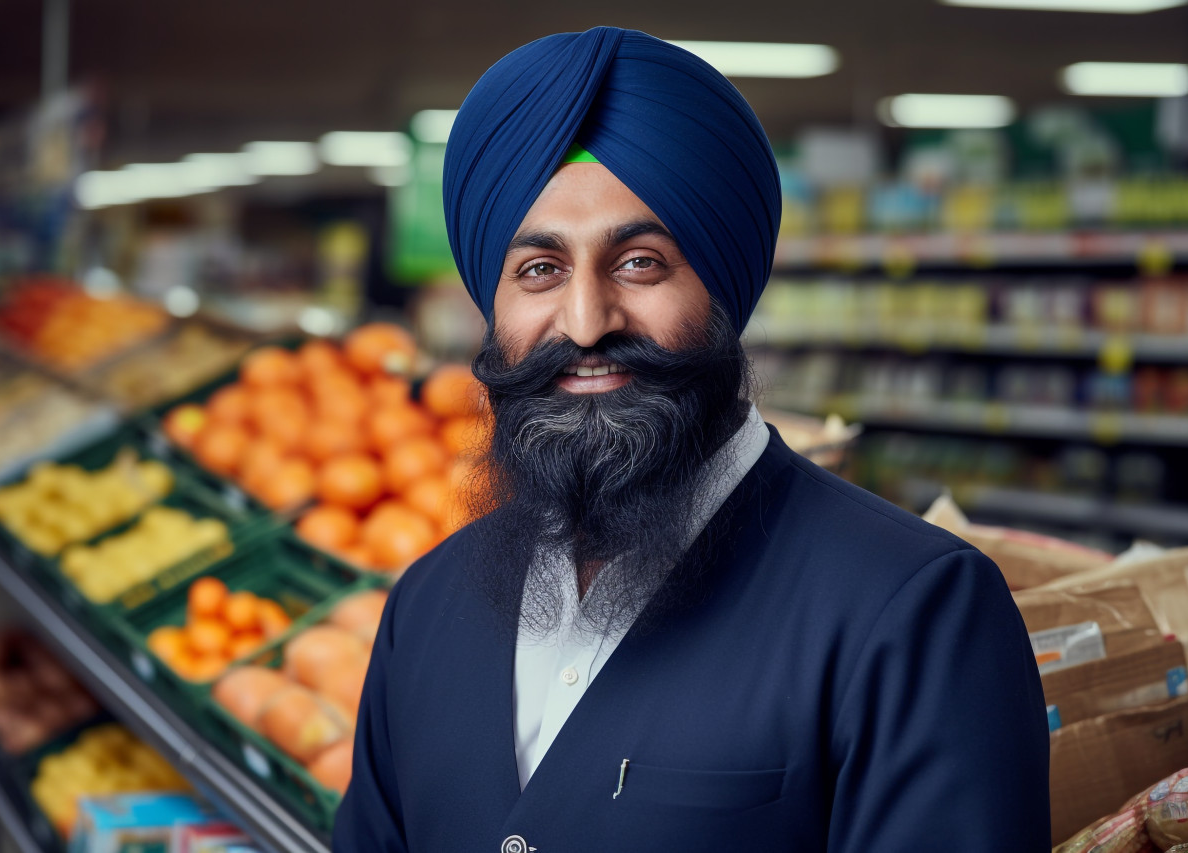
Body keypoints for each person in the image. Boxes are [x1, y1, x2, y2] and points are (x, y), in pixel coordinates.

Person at [334, 26, 1050, 853]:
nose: (586, 321)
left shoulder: (915, 610)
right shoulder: (427, 607)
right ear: (493, 309)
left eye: (640, 263)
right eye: (540, 269)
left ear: (723, 288)